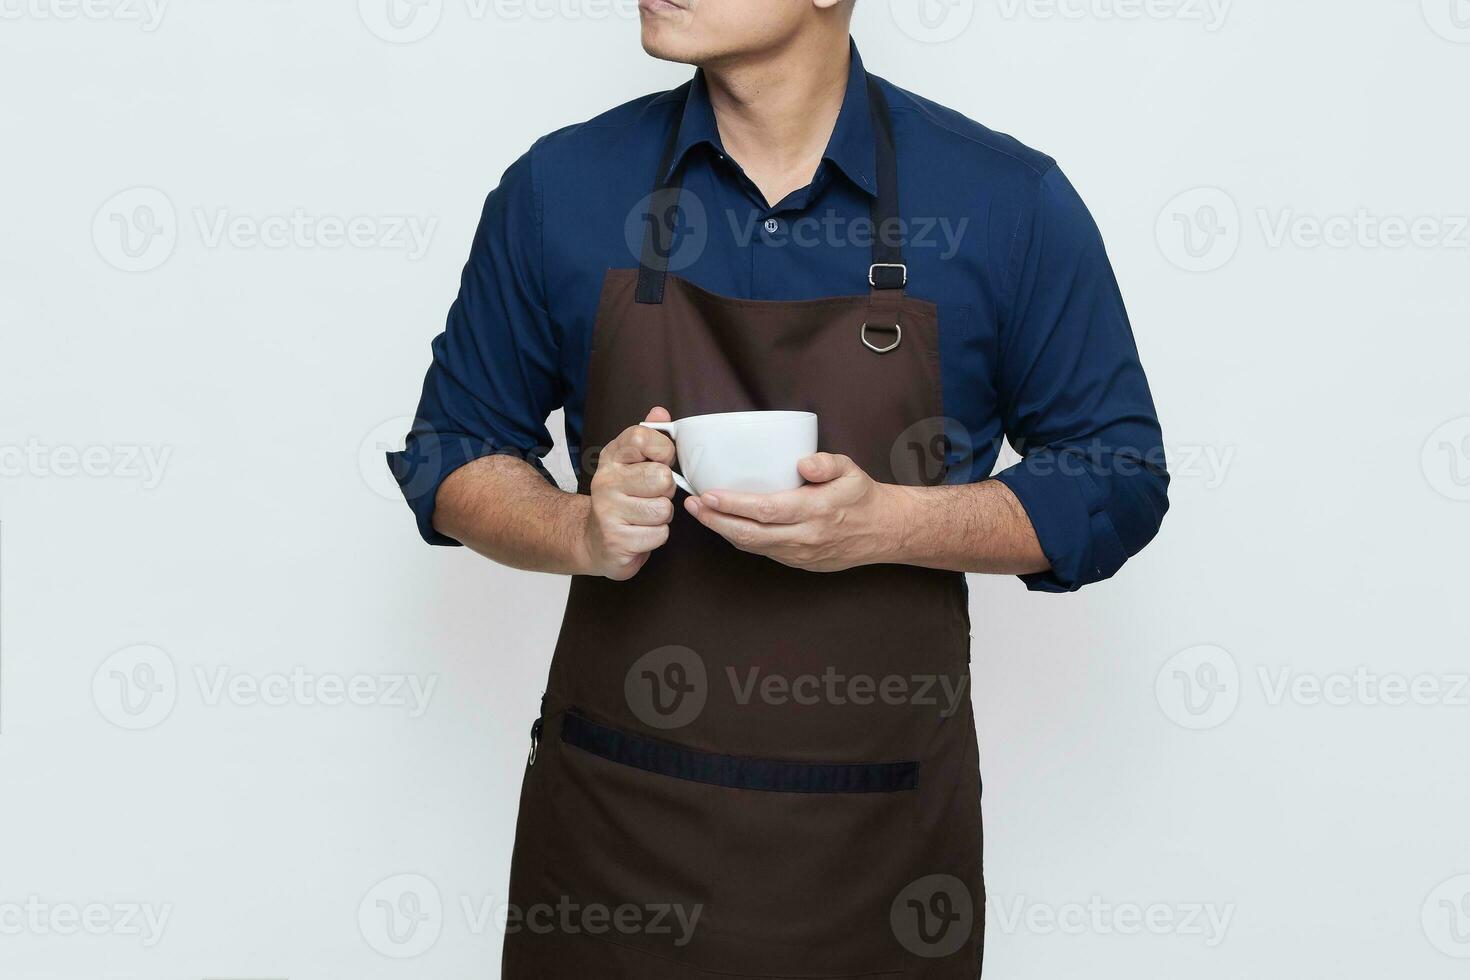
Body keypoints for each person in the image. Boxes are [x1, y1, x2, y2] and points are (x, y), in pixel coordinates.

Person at [388, 0, 1168, 975]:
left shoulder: (1004, 202)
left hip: (876, 864)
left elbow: (1116, 474)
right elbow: (452, 453)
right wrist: (579, 526)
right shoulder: (563, 188)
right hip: (613, 849)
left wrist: (891, 520)